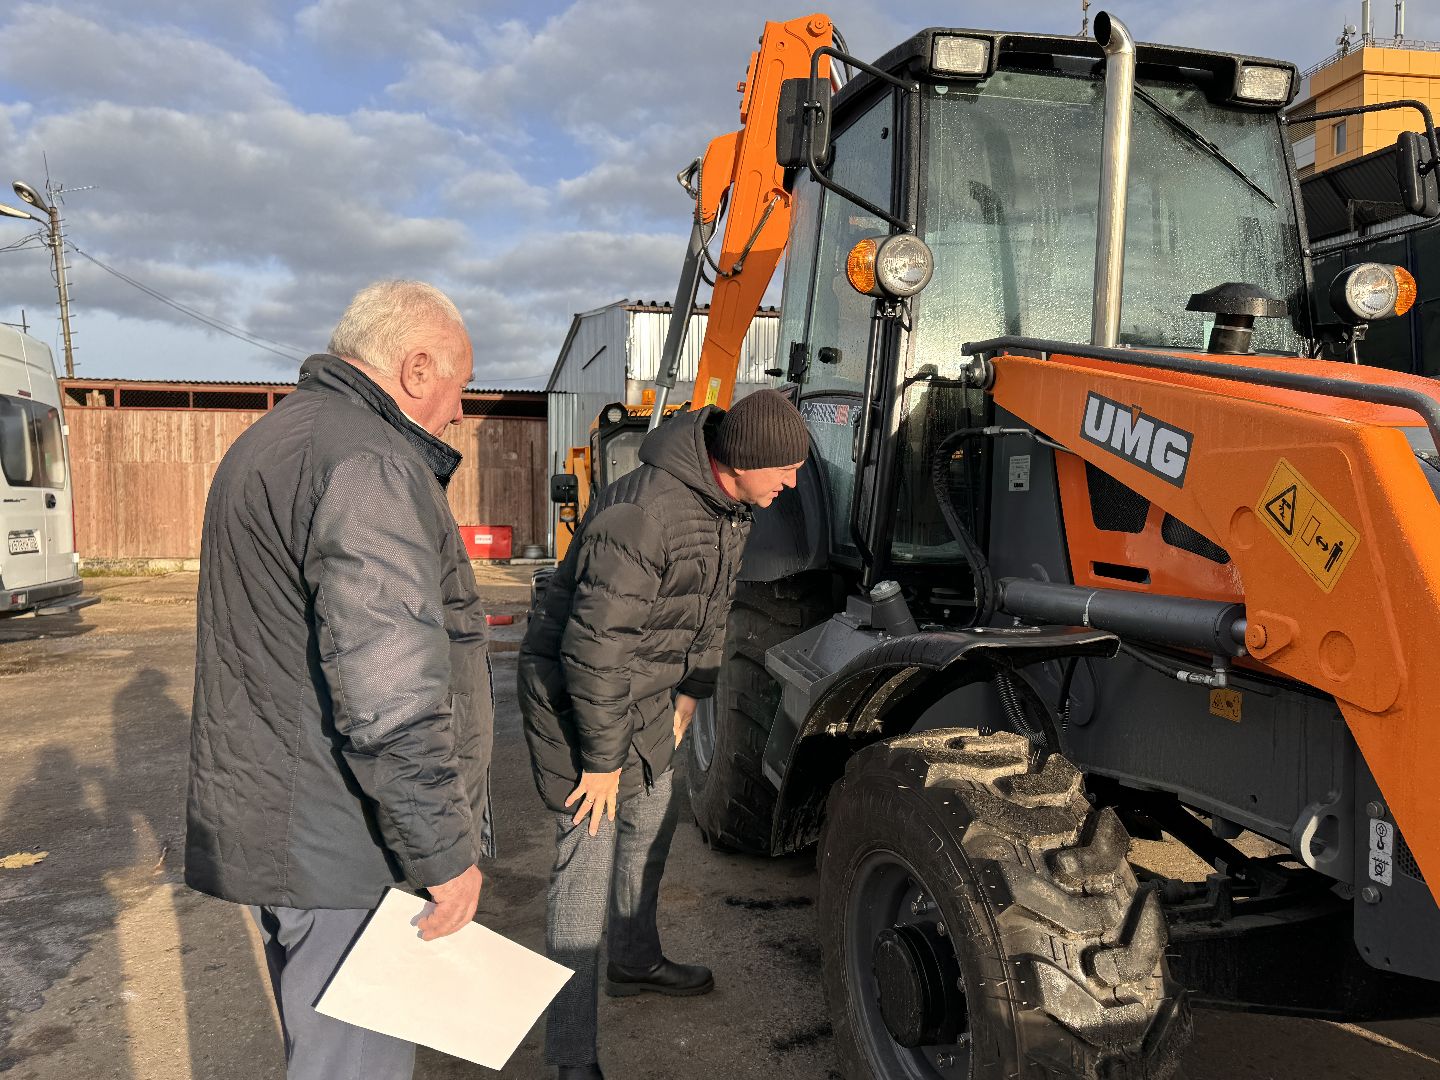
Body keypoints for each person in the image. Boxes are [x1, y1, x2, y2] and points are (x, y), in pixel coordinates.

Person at [185, 280, 494, 1080]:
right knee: (352, 1062)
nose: (461, 409)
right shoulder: (370, 463)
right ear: (418, 366)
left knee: (321, 1047)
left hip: (282, 825)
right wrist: (442, 849)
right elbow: (390, 687)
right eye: (461, 382)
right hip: (342, 844)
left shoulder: (276, 440)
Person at [519, 388, 810, 1080]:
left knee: (651, 827)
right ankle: (569, 1060)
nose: (793, 483)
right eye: (785, 469)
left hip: (647, 696)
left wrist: (692, 693)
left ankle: (636, 960)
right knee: (582, 884)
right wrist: (599, 762)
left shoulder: (729, 506)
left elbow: (714, 608)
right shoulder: (644, 513)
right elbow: (594, 649)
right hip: (581, 702)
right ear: (743, 462)